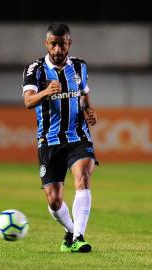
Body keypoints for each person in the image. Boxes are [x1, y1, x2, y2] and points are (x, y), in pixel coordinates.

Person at [22, 23, 98, 253]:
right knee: (54, 201)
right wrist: (46, 92)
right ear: (47, 44)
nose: (57, 49)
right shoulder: (34, 69)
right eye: (53, 44)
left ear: (69, 44)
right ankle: (70, 232)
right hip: (49, 141)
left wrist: (89, 109)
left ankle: (79, 237)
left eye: (62, 44)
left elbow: (84, 94)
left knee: (83, 176)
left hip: (78, 136)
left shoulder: (79, 66)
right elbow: (28, 102)